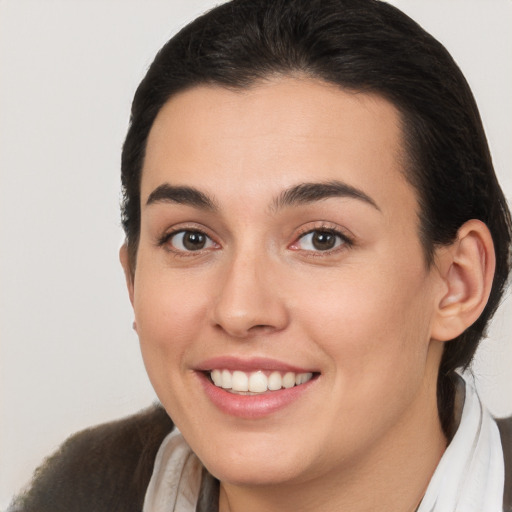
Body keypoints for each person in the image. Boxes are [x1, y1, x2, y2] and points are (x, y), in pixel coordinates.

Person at [8, 0, 512, 511]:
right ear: (133, 281)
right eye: (191, 239)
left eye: (322, 239)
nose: (240, 310)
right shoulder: (72, 495)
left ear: (457, 282)